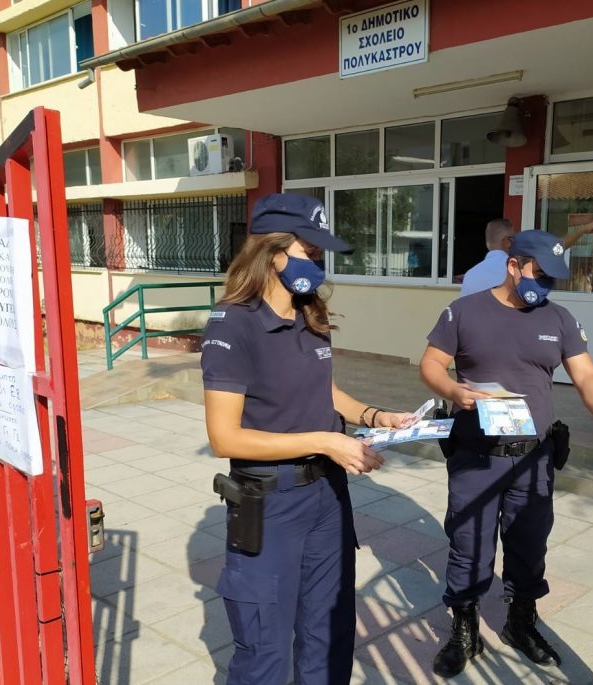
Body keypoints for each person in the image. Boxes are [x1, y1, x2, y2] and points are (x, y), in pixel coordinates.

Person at [201, 193, 413, 685]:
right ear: (271, 250)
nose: (317, 263)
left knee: (329, 633)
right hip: (270, 502)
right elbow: (224, 437)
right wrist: (327, 441)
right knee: (265, 651)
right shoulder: (233, 324)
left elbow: (326, 391)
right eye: (308, 251)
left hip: (326, 497)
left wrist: (378, 416)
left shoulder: (309, 313)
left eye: (320, 254)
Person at [420, 230, 593, 677]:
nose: (544, 285)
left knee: (528, 542)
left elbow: (587, 376)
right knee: (469, 544)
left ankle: (521, 622)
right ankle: (465, 628)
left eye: (551, 279)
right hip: (476, 455)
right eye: (538, 274)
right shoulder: (464, 312)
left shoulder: (558, 319)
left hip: (533, 458)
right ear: (513, 265)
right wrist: (453, 390)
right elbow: (430, 364)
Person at [459, 219, 593, 297]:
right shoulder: (517, 267)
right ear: (507, 241)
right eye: (513, 238)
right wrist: (583, 230)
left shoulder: (470, 275)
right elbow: (557, 248)